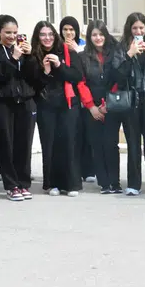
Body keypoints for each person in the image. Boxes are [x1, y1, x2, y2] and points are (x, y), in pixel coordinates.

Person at [28, 21, 87, 197]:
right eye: (43, 35)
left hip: (68, 104)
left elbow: (77, 76)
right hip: (45, 105)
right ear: (38, 37)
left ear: (55, 36)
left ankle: (71, 184)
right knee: (49, 143)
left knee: (69, 142)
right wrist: (45, 72)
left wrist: (60, 66)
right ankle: (52, 183)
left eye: (50, 34)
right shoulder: (33, 56)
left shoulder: (68, 52)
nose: (47, 38)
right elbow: (32, 84)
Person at [112, 12, 145, 196]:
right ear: (129, 29)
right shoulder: (121, 48)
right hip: (131, 100)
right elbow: (118, 77)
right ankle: (134, 184)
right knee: (133, 143)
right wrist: (129, 55)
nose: (138, 31)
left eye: (141, 28)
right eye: (134, 28)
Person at [0, 14, 36, 201]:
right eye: (8, 32)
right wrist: (13, 59)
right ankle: (12, 185)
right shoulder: (1, 52)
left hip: (25, 101)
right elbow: (1, 77)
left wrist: (30, 57)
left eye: (15, 32)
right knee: (6, 144)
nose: (12, 36)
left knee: (24, 144)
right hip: (4, 102)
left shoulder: (21, 50)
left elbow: (32, 76)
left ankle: (23, 183)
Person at [78, 19, 117, 193]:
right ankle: (104, 183)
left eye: (101, 34)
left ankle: (115, 181)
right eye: (94, 35)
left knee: (111, 144)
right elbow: (81, 83)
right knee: (97, 144)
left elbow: (118, 78)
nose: (98, 38)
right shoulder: (83, 57)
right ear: (89, 37)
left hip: (111, 104)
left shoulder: (114, 53)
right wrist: (91, 107)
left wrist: (109, 103)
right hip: (92, 107)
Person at [60, 16, 94, 183]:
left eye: (72, 29)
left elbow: (88, 69)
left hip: (85, 94)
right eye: (65, 29)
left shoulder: (84, 46)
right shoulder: (58, 46)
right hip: (67, 95)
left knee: (86, 132)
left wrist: (78, 52)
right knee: (72, 133)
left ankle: (88, 169)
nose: (68, 33)